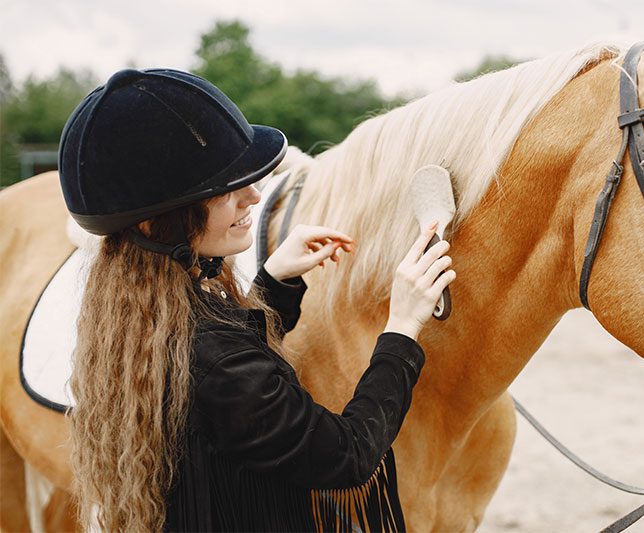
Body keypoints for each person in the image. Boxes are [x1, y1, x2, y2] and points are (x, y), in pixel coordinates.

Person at [58, 68, 456, 532]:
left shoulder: (145, 311)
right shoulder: (215, 359)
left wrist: (274, 282)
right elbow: (347, 454)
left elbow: (226, 384)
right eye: (225, 188)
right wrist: (402, 328)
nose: (253, 194)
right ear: (160, 222)